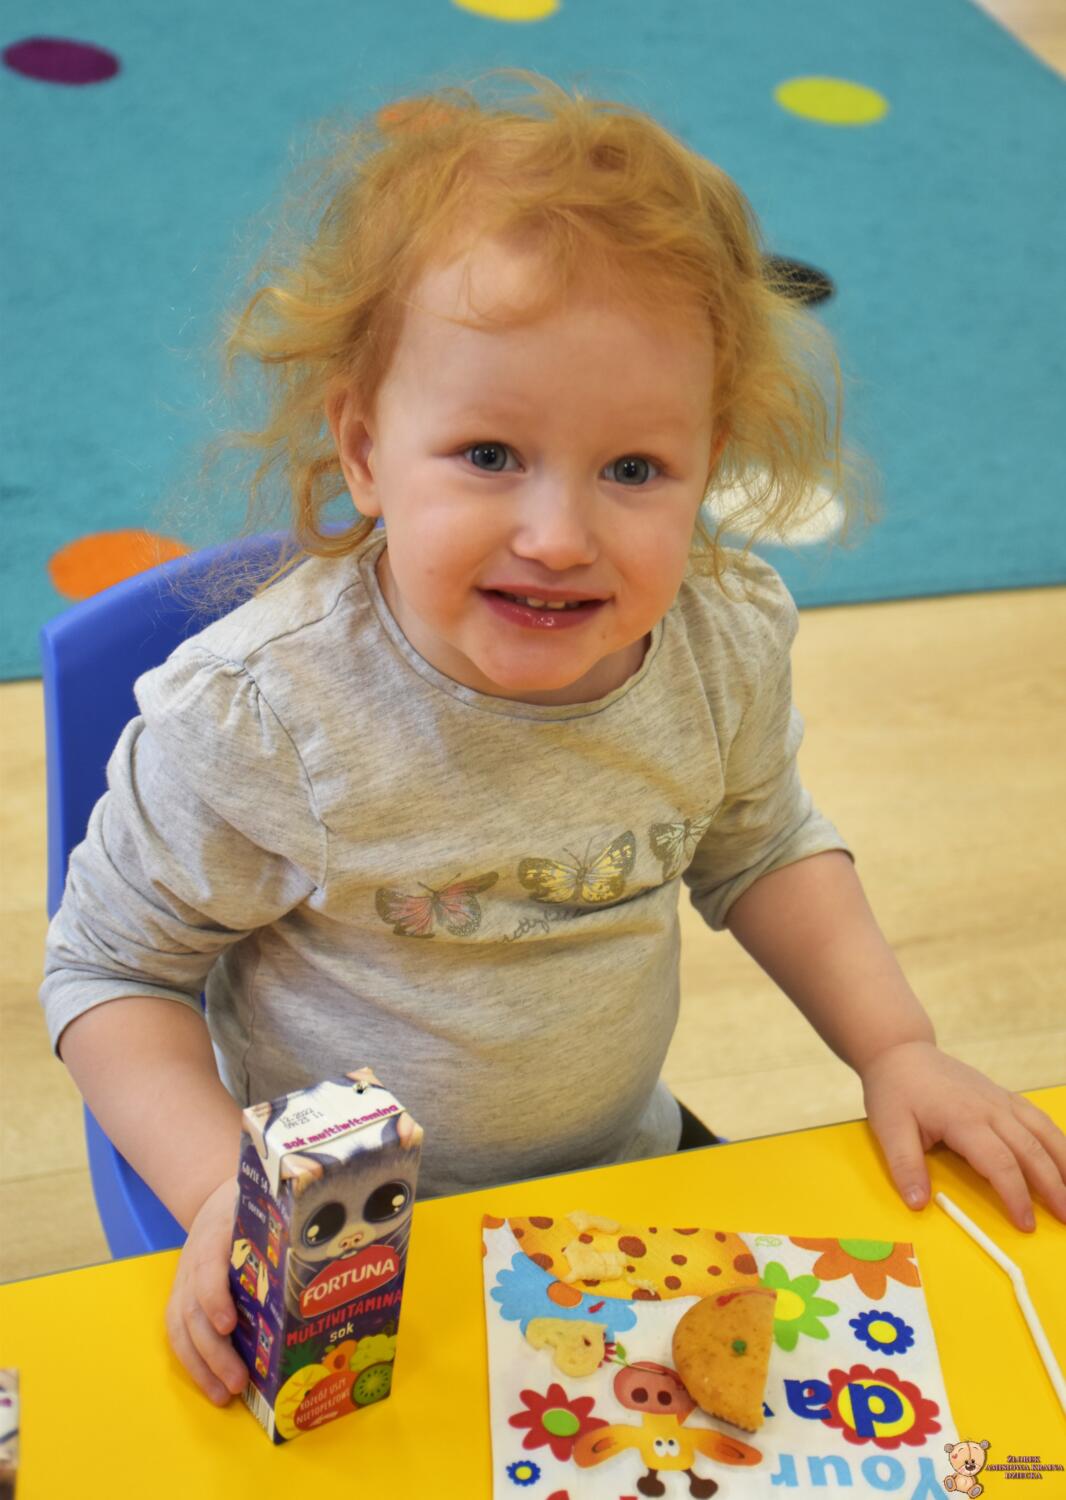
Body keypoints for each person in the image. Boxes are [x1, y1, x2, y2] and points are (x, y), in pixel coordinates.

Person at [40, 69, 1066, 1408]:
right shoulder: (265, 713)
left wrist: (897, 1047)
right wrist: (212, 1192)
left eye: (634, 470)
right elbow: (110, 972)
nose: (559, 536)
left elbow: (763, 849)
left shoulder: (718, 641)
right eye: (488, 454)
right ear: (363, 450)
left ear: (708, 467)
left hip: (620, 1177)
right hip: (350, 1251)